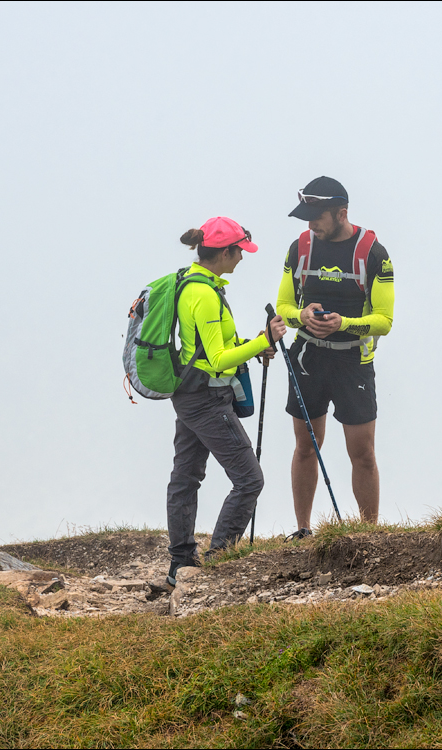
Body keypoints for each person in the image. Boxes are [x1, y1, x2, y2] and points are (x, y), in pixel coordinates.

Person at [164, 216, 286, 585]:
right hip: (206, 399)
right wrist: (264, 341)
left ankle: (180, 564)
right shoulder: (203, 294)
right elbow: (217, 359)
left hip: (189, 394)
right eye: (240, 252)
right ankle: (219, 559)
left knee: (185, 478)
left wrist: (252, 348)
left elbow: (207, 350)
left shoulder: (194, 284)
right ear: (224, 252)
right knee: (249, 480)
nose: (242, 259)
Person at [276, 176, 395, 538]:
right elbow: (283, 306)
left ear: (342, 213)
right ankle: (302, 530)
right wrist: (302, 317)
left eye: (318, 217)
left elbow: (384, 322)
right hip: (308, 358)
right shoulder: (300, 248)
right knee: (305, 447)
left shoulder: (374, 253)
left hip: (352, 363)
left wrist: (344, 323)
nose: (310, 225)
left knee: (362, 453)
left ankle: (368, 533)